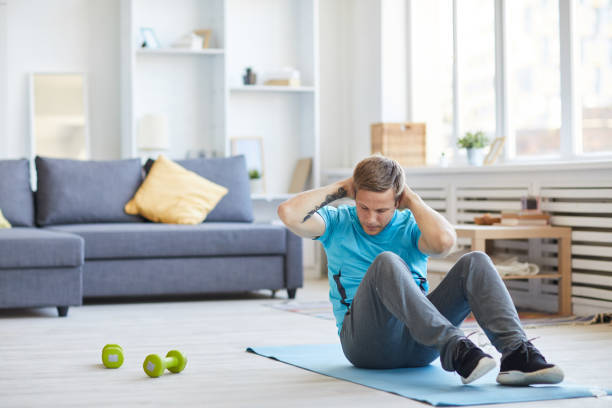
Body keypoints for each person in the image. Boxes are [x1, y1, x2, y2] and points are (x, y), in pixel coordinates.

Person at [277, 155, 564, 386]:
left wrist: (412, 199)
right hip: (365, 344)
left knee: (476, 261)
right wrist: (344, 186)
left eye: (382, 210)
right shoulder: (338, 221)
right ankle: (458, 349)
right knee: (386, 262)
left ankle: (517, 354)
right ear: (354, 198)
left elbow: (445, 243)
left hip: (421, 343)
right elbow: (288, 214)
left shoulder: (409, 224)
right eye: (363, 207)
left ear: (397, 200)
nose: (371, 219)